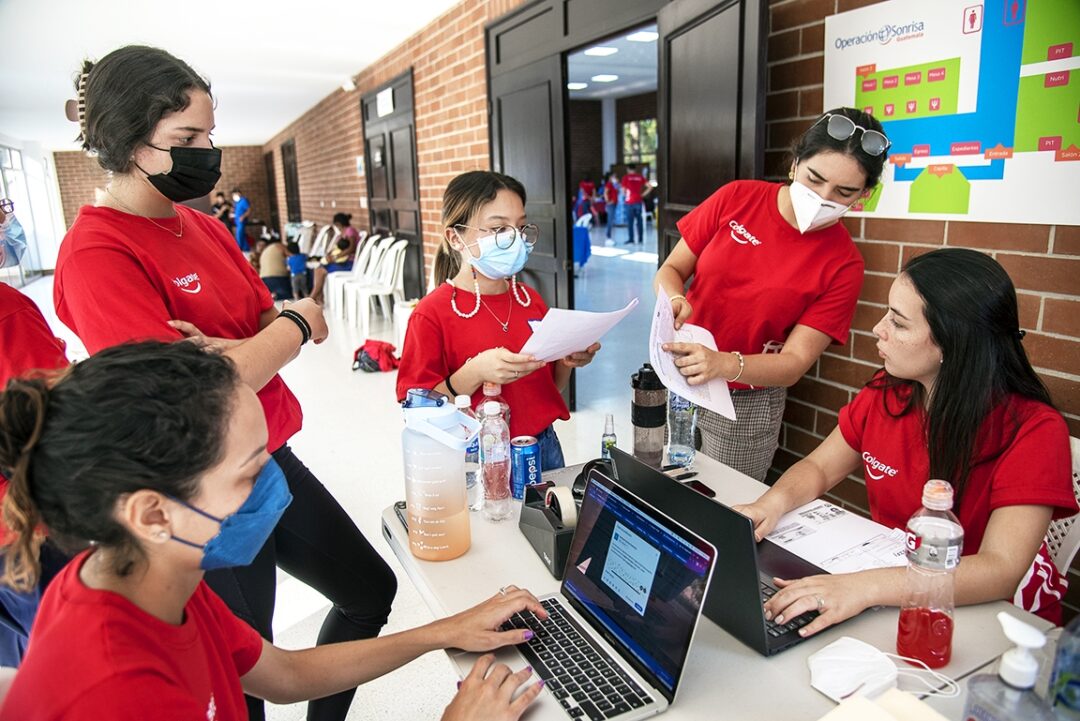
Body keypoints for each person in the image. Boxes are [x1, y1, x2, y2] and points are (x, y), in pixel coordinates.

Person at [53, 46, 397, 721]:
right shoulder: (97, 254)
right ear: (127, 141)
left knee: (368, 589)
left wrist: (257, 340)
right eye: (186, 140)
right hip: (203, 488)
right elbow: (191, 394)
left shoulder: (205, 229)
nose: (208, 152)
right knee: (248, 666)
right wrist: (276, 335)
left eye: (209, 134)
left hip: (271, 460)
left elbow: (288, 319)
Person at [0, 341, 547, 720]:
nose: (274, 488)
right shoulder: (117, 690)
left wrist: (443, 631)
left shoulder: (155, 577)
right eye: (250, 471)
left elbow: (282, 674)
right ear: (153, 514)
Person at [733, 248, 1076, 634]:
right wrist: (771, 504)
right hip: (895, 588)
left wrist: (866, 587)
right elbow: (818, 467)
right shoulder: (889, 391)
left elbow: (1000, 570)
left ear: (953, 343)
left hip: (991, 619)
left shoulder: (1035, 429)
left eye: (898, 323)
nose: (878, 329)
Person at [654, 107, 889, 482]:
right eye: (814, 179)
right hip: (680, 375)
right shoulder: (738, 198)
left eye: (844, 192)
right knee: (662, 487)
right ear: (795, 165)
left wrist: (724, 364)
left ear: (864, 194)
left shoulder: (844, 264)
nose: (824, 196)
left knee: (723, 508)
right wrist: (674, 298)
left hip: (746, 401)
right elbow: (671, 270)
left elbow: (795, 362)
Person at [396, 171, 600, 470]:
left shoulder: (530, 300)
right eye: (498, 228)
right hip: (479, 455)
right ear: (455, 237)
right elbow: (418, 407)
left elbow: (549, 390)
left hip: (543, 447)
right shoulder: (431, 314)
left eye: (520, 227)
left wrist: (567, 360)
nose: (515, 239)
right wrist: (476, 371)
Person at [0, 198, 70, 667]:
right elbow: (53, 420)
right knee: (70, 667)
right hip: (24, 532)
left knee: (21, 672)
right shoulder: (8, 312)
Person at [309, 213, 360, 304]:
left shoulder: (350, 231)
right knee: (318, 268)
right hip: (341, 261)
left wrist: (336, 257)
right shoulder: (342, 233)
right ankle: (319, 297)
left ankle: (312, 298)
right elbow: (335, 247)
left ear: (338, 224)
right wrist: (329, 255)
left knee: (321, 270)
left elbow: (352, 248)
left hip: (349, 263)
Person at [620, 164, 648, 245]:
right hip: (638, 201)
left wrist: (626, 194)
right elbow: (650, 186)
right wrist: (643, 194)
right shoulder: (640, 177)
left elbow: (623, 191)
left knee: (630, 222)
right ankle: (640, 239)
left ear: (628, 169)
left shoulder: (626, 178)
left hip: (629, 202)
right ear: (635, 169)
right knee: (639, 221)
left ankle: (631, 239)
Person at [258, 236, 291, 301]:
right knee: (287, 295)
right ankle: (276, 295)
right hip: (277, 277)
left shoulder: (265, 251)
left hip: (263, 278)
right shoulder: (279, 246)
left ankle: (272, 295)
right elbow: (291, 255)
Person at [232, 187, 251, 252]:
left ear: (239, 193)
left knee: (239, 235)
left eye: (235, 194)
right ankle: (246, 248)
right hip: (237, 221)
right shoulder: (236, 202)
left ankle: (239, 249)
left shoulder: (244, 200)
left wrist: (243, 216)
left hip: (241, 220)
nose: (234, 196)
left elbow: (248, 210)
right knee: (241, 235)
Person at [602, 171, 619, 242]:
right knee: (610, 220)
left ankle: (609, 236)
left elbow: (617, 190)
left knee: (611, 220)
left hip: (614, 203)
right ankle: (608, 236)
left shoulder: (614, 184)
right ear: (610, 178)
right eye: (614, 177)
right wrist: (608, 201)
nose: (615, 178)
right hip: (611, 204)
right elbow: (605, 193)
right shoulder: (609, 184)